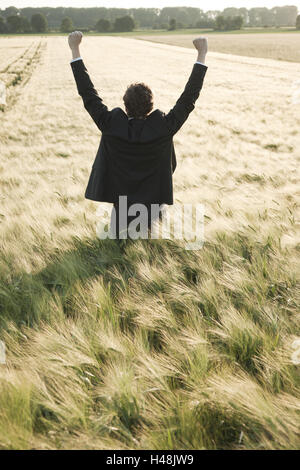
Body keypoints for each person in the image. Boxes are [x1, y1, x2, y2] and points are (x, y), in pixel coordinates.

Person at [68, 31, 208, 239]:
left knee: (118, 253)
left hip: (121, 213)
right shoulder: (164, 126)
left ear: (125, 105)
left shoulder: (110, 124)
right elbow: (189, 98)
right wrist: (202, 54)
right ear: (151, 106)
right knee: (153, 254)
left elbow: (88, 94)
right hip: (154, 212)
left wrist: (74, 49)